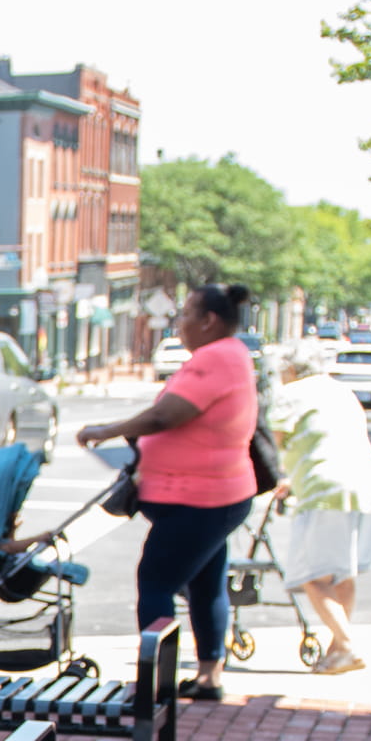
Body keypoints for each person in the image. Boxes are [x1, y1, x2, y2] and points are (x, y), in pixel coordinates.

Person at [77, 280, 261, 701]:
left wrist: (107, 431)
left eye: (185, 314)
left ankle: (155, 684)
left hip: (199, 498)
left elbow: (167, 416)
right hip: (219, 493)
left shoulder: (214, 359)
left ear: (208, 321)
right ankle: (208, 676)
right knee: (206, 581)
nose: (179, 323)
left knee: (157, 581)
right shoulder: (231, 354)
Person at [266, 341, 371, 675]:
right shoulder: (341, 391)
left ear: (290, 369)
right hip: (368, 484)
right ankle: (337, 651)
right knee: (343, 574)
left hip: (325, 490)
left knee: (314, 576)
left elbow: (275, 443)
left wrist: (281, 475)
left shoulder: (289, 394)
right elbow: (329, 439)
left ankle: (347, 645)